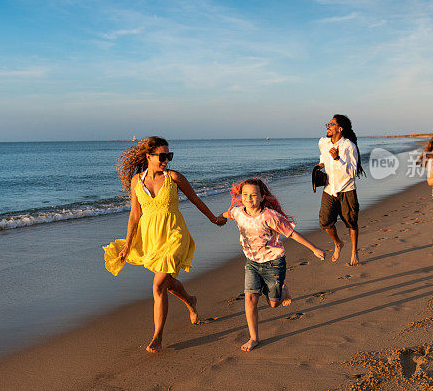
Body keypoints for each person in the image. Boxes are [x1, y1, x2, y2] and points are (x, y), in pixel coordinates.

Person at [103, 136, 226, 353]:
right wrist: (128, 243)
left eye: (169, 156)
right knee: (167, 281)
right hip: (152, 238)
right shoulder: (136, 181)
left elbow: (195, 199)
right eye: (162, 156)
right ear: (148, 156)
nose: (166, 160)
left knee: (158, 285)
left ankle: (157, 336)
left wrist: (214, 218)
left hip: (175, 235)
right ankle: (190, 300)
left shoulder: (174, 177)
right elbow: (134, 215)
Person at [221, 178, 326, 352]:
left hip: (274, 263)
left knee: (273, 304)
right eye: (245, 195)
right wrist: (218, 218)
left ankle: (283, 291)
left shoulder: (270, 216)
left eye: (254, 195)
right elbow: (228, 214)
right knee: (250, 298)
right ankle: (254, 338)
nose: (249, 198)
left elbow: (291, 233)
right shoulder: (238, 212)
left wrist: (313, 248)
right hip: (252, 263)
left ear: (262, 197)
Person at [314, 114, 365, 266]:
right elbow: (323, 157)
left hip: (346, 190)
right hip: (329, 189)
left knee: (351, 222)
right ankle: (338, 243)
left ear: (340, 128)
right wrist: (319, 166)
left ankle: (354, 253)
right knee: (325, 220)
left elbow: (352, 172)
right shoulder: (323, 142)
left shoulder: (349, 146)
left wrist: (338, 159)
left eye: (331, 124)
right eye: (327, 124)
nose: (328, 127)